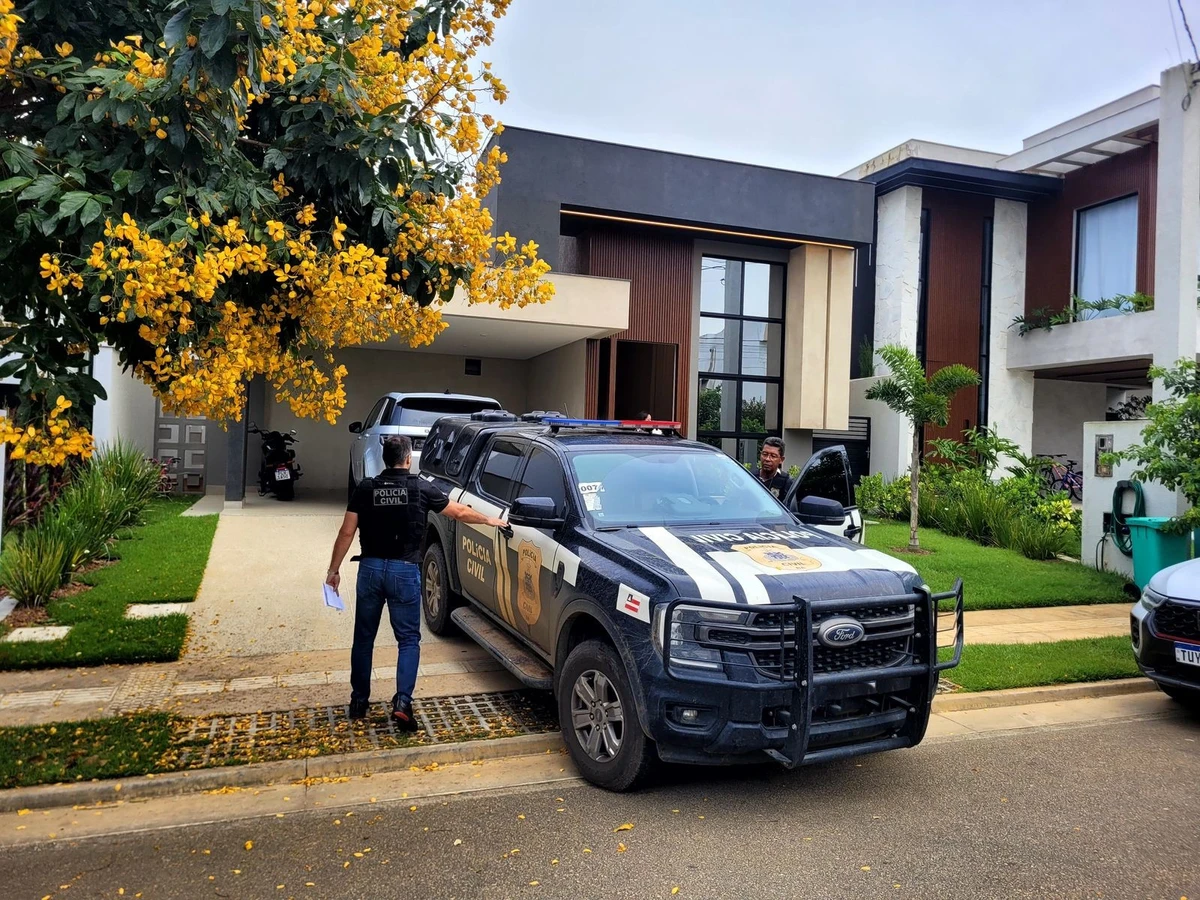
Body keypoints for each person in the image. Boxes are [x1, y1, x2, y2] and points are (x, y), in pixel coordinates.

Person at [326, 435, 508, 729]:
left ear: (386, 459)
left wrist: (333, 570)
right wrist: (491, 520)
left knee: (363, 638)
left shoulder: (366, 488)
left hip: (370, 569)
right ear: (408, 459)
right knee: (408, 640)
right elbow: (459, 512)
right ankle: (402, 703)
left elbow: (346, 532)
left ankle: (359, 701)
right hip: (404, 571)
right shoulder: (421, 488)